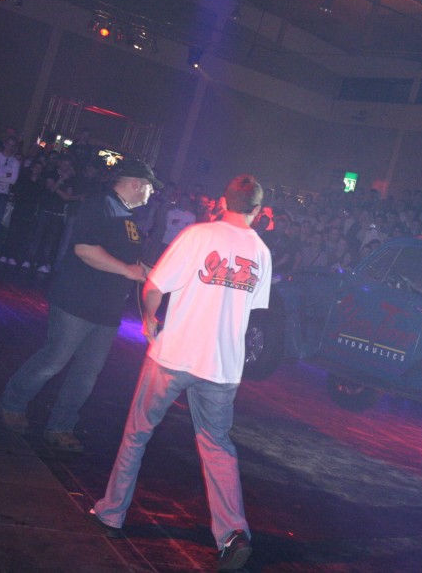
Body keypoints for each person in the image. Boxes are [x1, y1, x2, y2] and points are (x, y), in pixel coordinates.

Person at [91, 174, 272, 572]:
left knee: (137, 433)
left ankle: (112, 513)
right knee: (217, 447)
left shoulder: (197, 235)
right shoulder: (261, 251)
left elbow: (154, 286)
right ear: (257, 211)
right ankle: (233, 533)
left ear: (222, 201)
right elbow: (253, 311)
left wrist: (149, 320)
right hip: (222, 367)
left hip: (174, 356)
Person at [0, 159, 159, 451]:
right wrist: (127, 270)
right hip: (76, 302)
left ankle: (61, 426)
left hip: (107, 311)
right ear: (136, 183)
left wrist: (150, 274)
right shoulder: (100, 205)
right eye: (150, 187)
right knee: (53, 360)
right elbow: (85, 249)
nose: (152, 193)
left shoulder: (130, 218)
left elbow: (131, 262)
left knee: (86, 374)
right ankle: (12, 404)